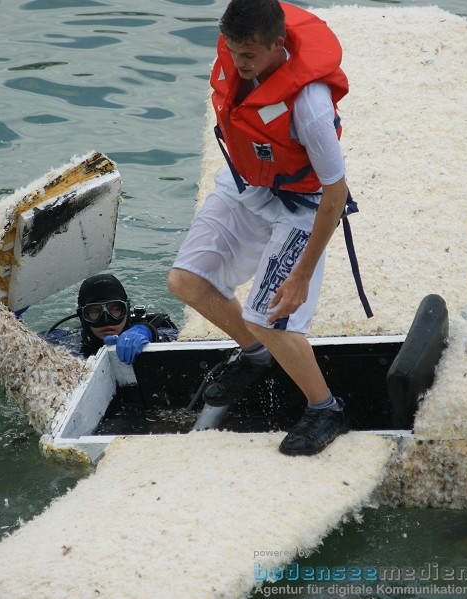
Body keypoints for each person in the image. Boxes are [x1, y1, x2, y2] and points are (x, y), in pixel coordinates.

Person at [168, 0, 368, 456]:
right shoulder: (237, 61)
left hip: (305, 203)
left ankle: (326, 408)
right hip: (248, 186)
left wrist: (299, 276)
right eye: (233, 51)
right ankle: (255, 353)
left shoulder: (310, 107)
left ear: (279, 45)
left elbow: (335, 197)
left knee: (273, 316)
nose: (239, 65)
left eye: (250, 56)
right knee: (185, 282)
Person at [42, 273, 178, 362]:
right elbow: (26, 345)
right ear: (82, 316)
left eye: (115, 309)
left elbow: (190, 340)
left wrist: (150, 333)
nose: (106, 320)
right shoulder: (64, 344)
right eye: (95, 311)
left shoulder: (149, 334)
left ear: (126, 309)